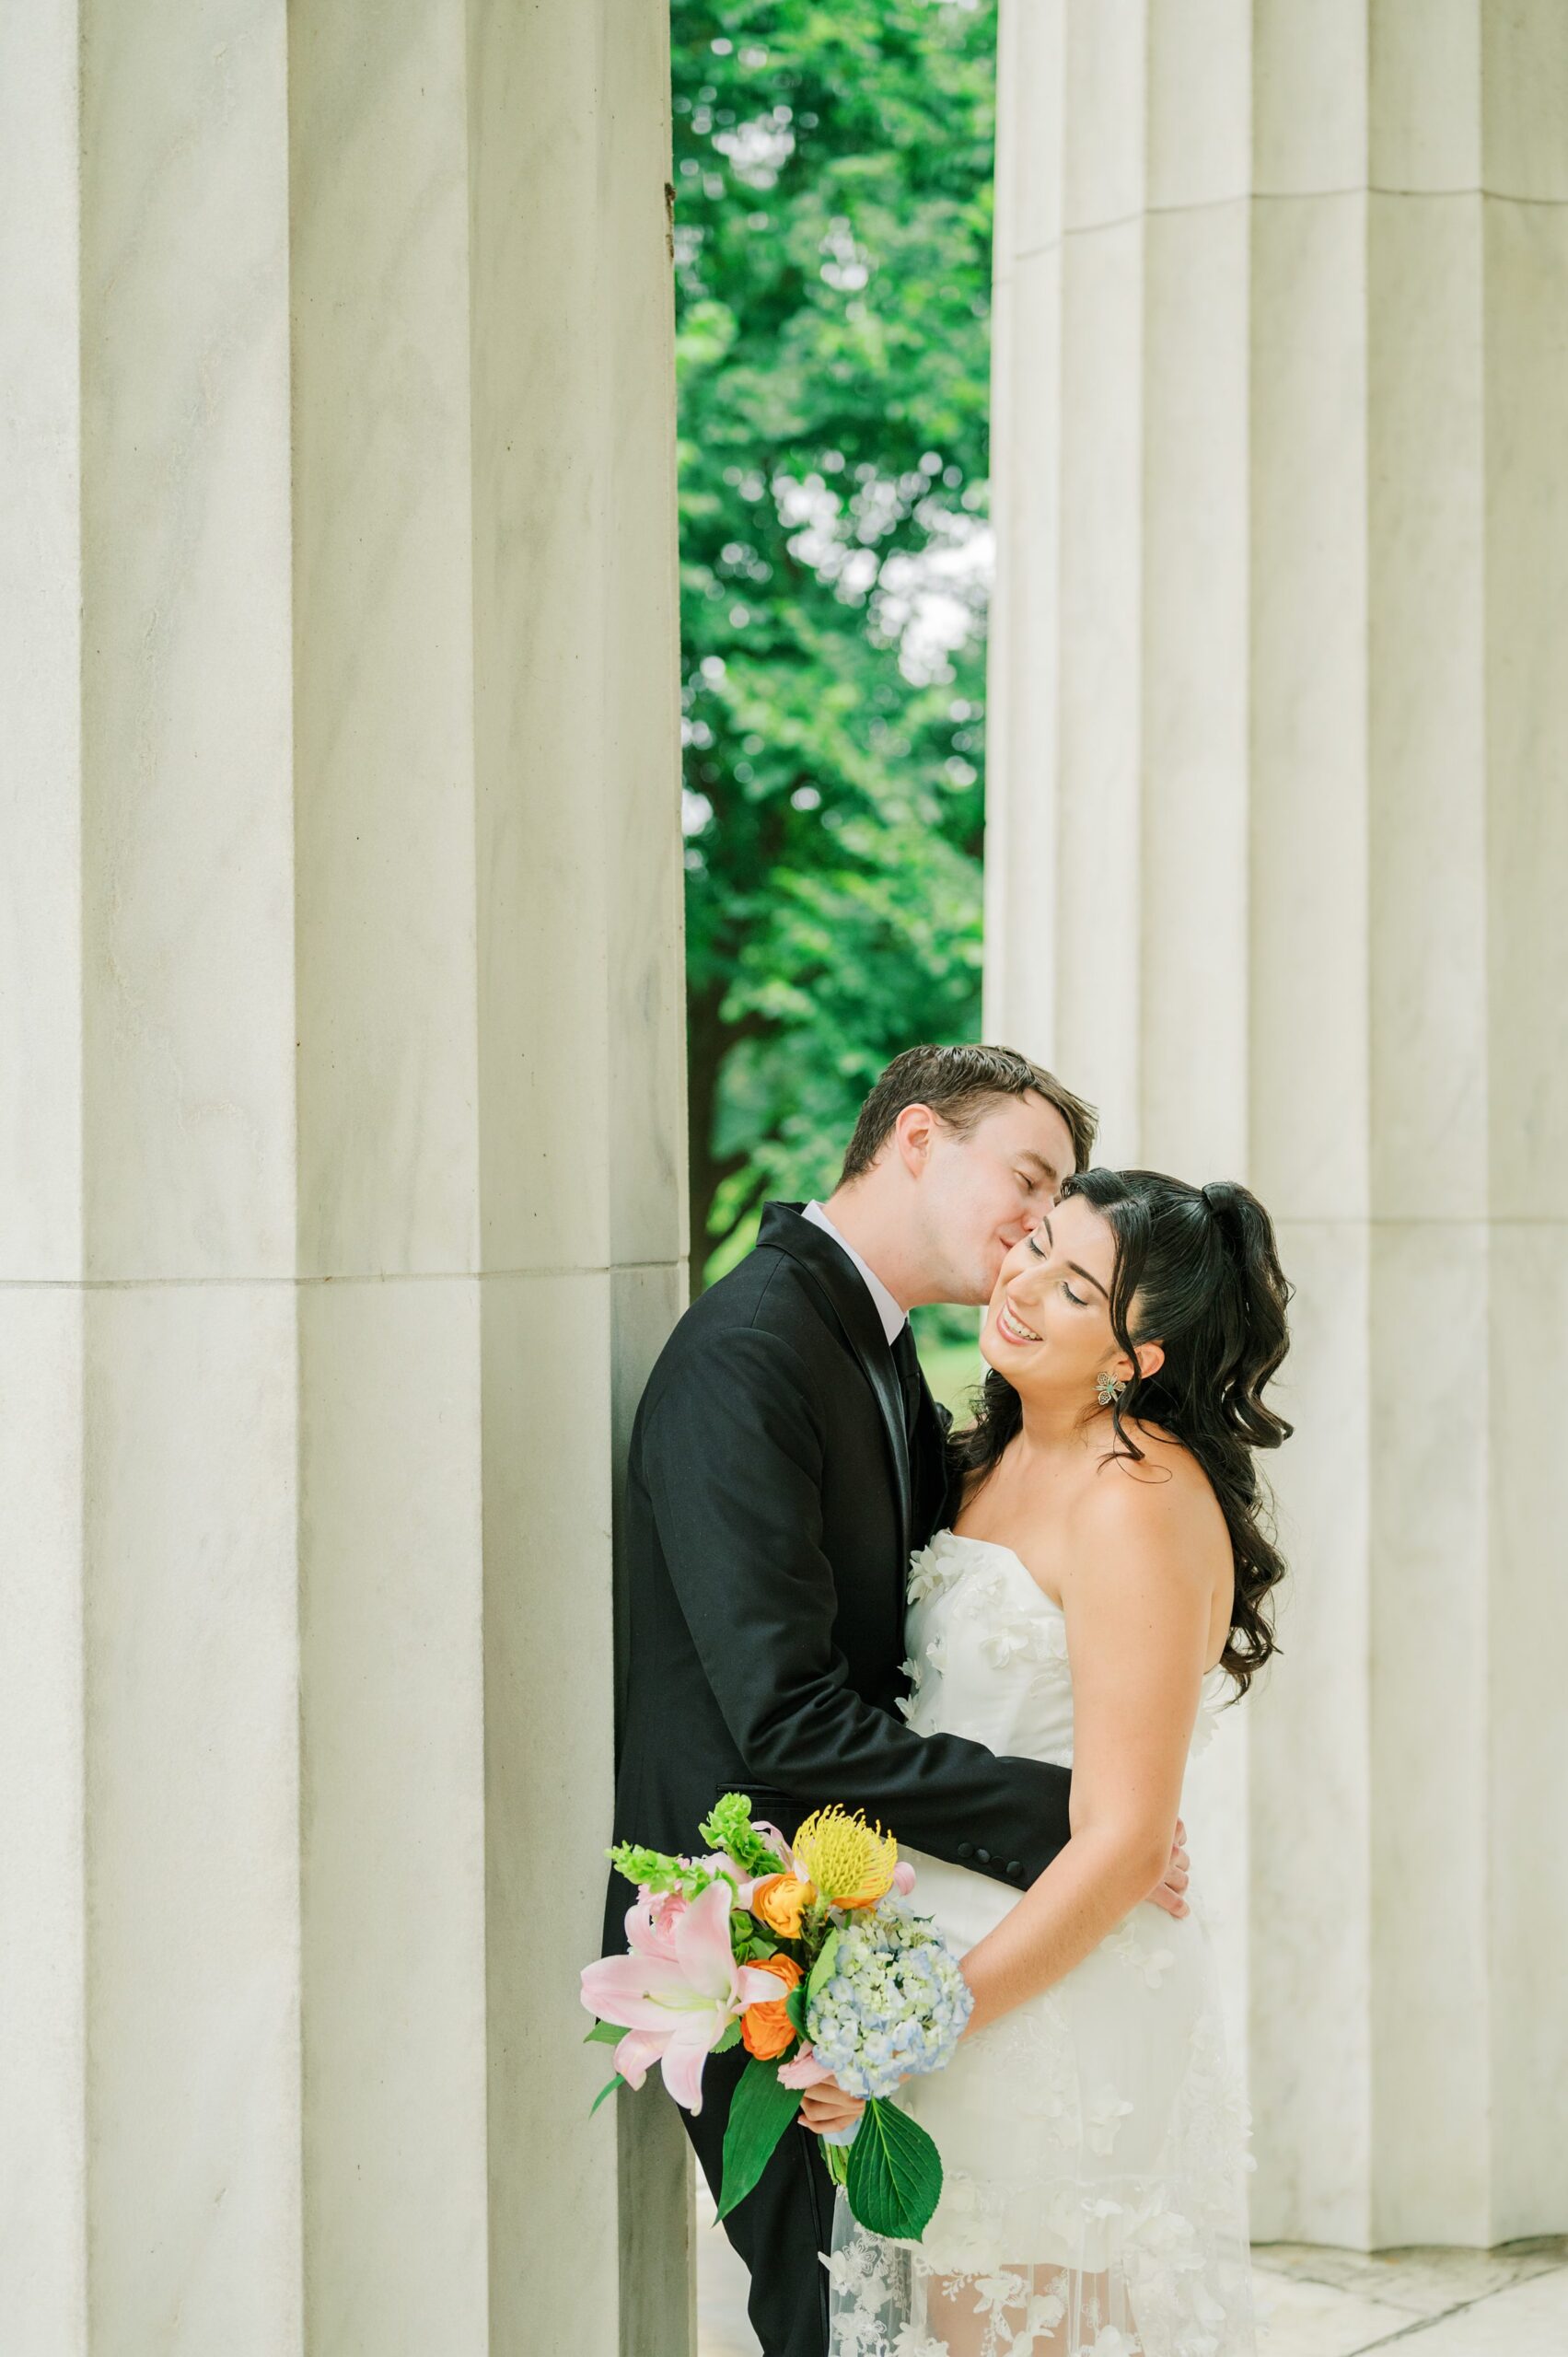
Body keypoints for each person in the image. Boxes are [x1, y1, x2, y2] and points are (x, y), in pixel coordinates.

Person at [604, 1047, 1194, 2357]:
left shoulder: (869, 1346)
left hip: (870, 1915)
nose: (1028, 1232)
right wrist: (1073, 1818)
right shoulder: (750, 1355)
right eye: (1026, 1183)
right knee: (845, 2325)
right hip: (756, 1925)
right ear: (918, 1139)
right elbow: (785, 1718)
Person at [803, 1167, 1292, 2357]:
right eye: (1033, 1248)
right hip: (938, 1967)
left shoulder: (1137, 1502)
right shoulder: (981, 1454)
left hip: (1046, 1997)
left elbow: (1125, 1838)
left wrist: (919, 2026)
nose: (1019, 1286)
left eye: (1074, 1290)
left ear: (1139, 1356)